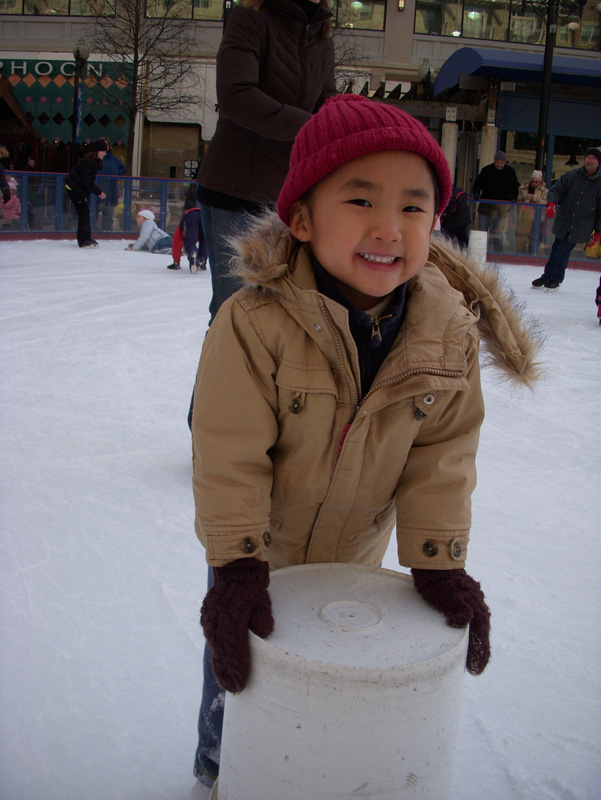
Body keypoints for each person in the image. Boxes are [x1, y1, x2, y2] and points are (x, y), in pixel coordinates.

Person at [191, 95, 541, 795]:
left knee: (333, 670)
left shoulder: (446, 334)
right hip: (259, 548)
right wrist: (236, 564)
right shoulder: (253, 322)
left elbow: (442, 456)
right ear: (301, 219)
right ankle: (218, 764)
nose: (389, 226)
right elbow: (228, 450)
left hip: (357, 550)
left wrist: (438, 562)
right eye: (360, 200)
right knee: (239, 666)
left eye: (413, 206)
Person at [196, 0, 336, 326]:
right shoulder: (251, 18)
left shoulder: (322, 38)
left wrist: (343, 122)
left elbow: (326, 102)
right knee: (235, 316)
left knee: (281, 319)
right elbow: (236, 94)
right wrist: (312, 127)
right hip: (236, 192)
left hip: (291, 200)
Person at [532, 147, 601, 291]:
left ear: (598, 162)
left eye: (593, 158)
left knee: (563, 249)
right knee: (556, 248)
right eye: (588, 157)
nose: (589, 160)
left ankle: (556, 279)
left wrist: (598, 232)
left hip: (582, 224)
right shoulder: (572, 175)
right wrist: (551, 203)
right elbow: (556, 189)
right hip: (565, 220)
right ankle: (547, 276)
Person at [473, 151, 519, 251]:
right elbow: (477, 184)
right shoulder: (486, 170)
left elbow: (515, 187)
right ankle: (480, 251)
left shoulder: (510, 172)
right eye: (497, 162)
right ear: (494, 161)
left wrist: (513, 198)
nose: (499, 165)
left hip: (502, 209)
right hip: (486, 208)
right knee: (482, 231)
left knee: (498, 233)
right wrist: (476, 193)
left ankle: (498, 253)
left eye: (501, 163)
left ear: (505, 162)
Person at [65, 140, 107, 247]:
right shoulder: (87, 162)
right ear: (97, 151)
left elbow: (86, 182)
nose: (105, 153)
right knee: (83, 212)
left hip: (78, 189)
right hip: (73, 188)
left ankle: (86, 238)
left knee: (84, 212)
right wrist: (99, 192)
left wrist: (85, 195)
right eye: (103, 151)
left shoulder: (93, 162)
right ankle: (83, 239)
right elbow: (86, 181)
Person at [515, 170, 548, 254]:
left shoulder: (544, 191)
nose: (534, 183)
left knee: (533, 240)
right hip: (523, 217)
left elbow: (546, 205)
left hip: (536, 219)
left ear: (540, 182)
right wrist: (523, 197)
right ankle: (519, 255)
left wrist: (535, 198)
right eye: (532, 181)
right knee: (521, 238)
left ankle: (532, 255)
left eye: (536, 182)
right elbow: (517, 200)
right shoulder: (523, 188)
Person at [96, 138, 125, 232]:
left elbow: (122, 169)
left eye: (106, 145)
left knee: (108, 215)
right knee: (93, 214)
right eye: (102, 145)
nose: (105, 147)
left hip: (110, 192)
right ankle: (92, 232)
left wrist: (116, 174)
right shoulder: (93, 159)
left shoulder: (113, 159)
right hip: (96, 191)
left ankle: (106, 233)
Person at [166, 207, 208, 272]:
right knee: (205, 240)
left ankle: (192, 252)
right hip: (205, 215)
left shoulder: (182, 226)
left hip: (191, 216)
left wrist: (176, 261)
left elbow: (176, 243)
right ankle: (201, 260)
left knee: (189, 242)